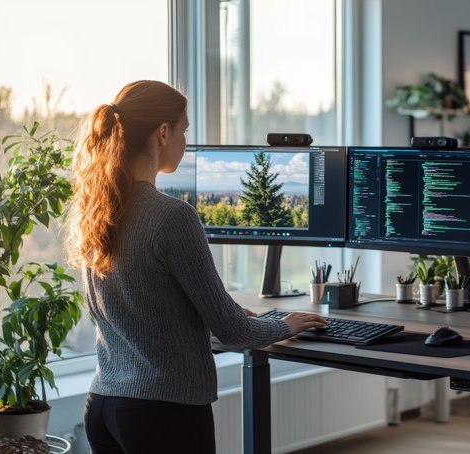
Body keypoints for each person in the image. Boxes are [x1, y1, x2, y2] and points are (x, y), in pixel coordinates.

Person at [65, 80, 326, 454]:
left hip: (104, 405)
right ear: (163, 132)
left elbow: (146, 305)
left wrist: (228, 313)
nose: (186, 142)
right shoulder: (173, 217)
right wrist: (283, 325)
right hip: (163, 414)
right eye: (184, 130)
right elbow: (231, 329)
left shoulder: (100, 210)